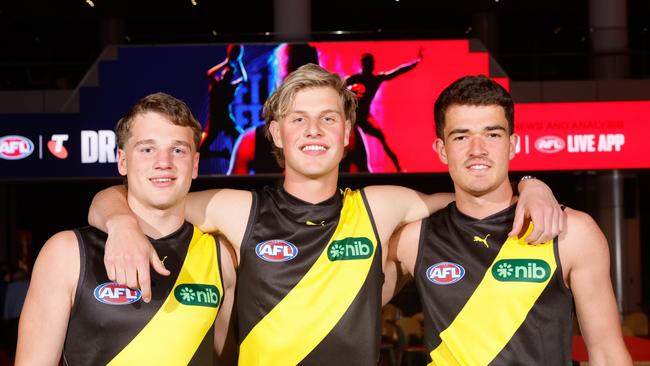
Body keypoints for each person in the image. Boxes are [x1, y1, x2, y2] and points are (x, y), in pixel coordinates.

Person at [89, 65, 563, 365]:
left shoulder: (381, 207)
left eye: (328, 118)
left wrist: (531, 185)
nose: (313, 130)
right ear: (275, 133)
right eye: (298, 118)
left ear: (347, 134)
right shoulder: (235, 209)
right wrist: (122, 223)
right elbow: (125, 196)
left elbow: (472, 199)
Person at [387, 75, 632, 365]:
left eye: (492, 134)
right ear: (442, 150)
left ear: (513, 144)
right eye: (462, 136)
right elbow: (341, 312)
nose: (477, 149)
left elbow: (607, 353)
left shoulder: (571, 232)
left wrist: (530, 183)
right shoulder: (412, 240)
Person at [16, 93, 236, 365]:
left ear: (195, 165)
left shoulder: (221, 258)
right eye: (147, 149)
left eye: (178, 149)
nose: (163, 162)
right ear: (122, 161)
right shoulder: (66, 253)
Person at [345, 51, 423, 172]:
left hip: (364, 118)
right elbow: (338, 85)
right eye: (367, 63)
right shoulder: (354, 79)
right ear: (363, 65)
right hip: (353, 118)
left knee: (382, 139)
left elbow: (397, 71)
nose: (370, 66)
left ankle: (399, 169)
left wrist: (416, 62)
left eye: (371, 63)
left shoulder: (375, 79)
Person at [201, 44, 248, 174]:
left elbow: (244, 79)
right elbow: (209, 73)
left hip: (226, 119)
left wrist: (238, 62)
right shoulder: (217, 84)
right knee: (200, 152)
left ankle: (237, 161)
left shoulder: (229, 86)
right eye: (226, 70)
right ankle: (221, 154)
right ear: (223, 73)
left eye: (229, 71)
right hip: (215, 121)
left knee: (244, 137)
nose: (227, 71)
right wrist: (226, 62)